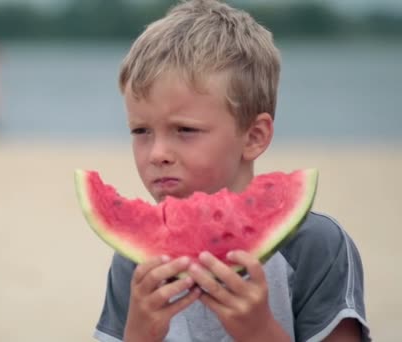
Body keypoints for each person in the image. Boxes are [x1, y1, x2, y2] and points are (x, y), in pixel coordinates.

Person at [93, 1, 371, 341]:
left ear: (254, 137)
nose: (158, 154)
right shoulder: (134, 263)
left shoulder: (315, 246)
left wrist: (260, 333)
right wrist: (138, 334)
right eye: (140, 131)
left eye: (185, 130)